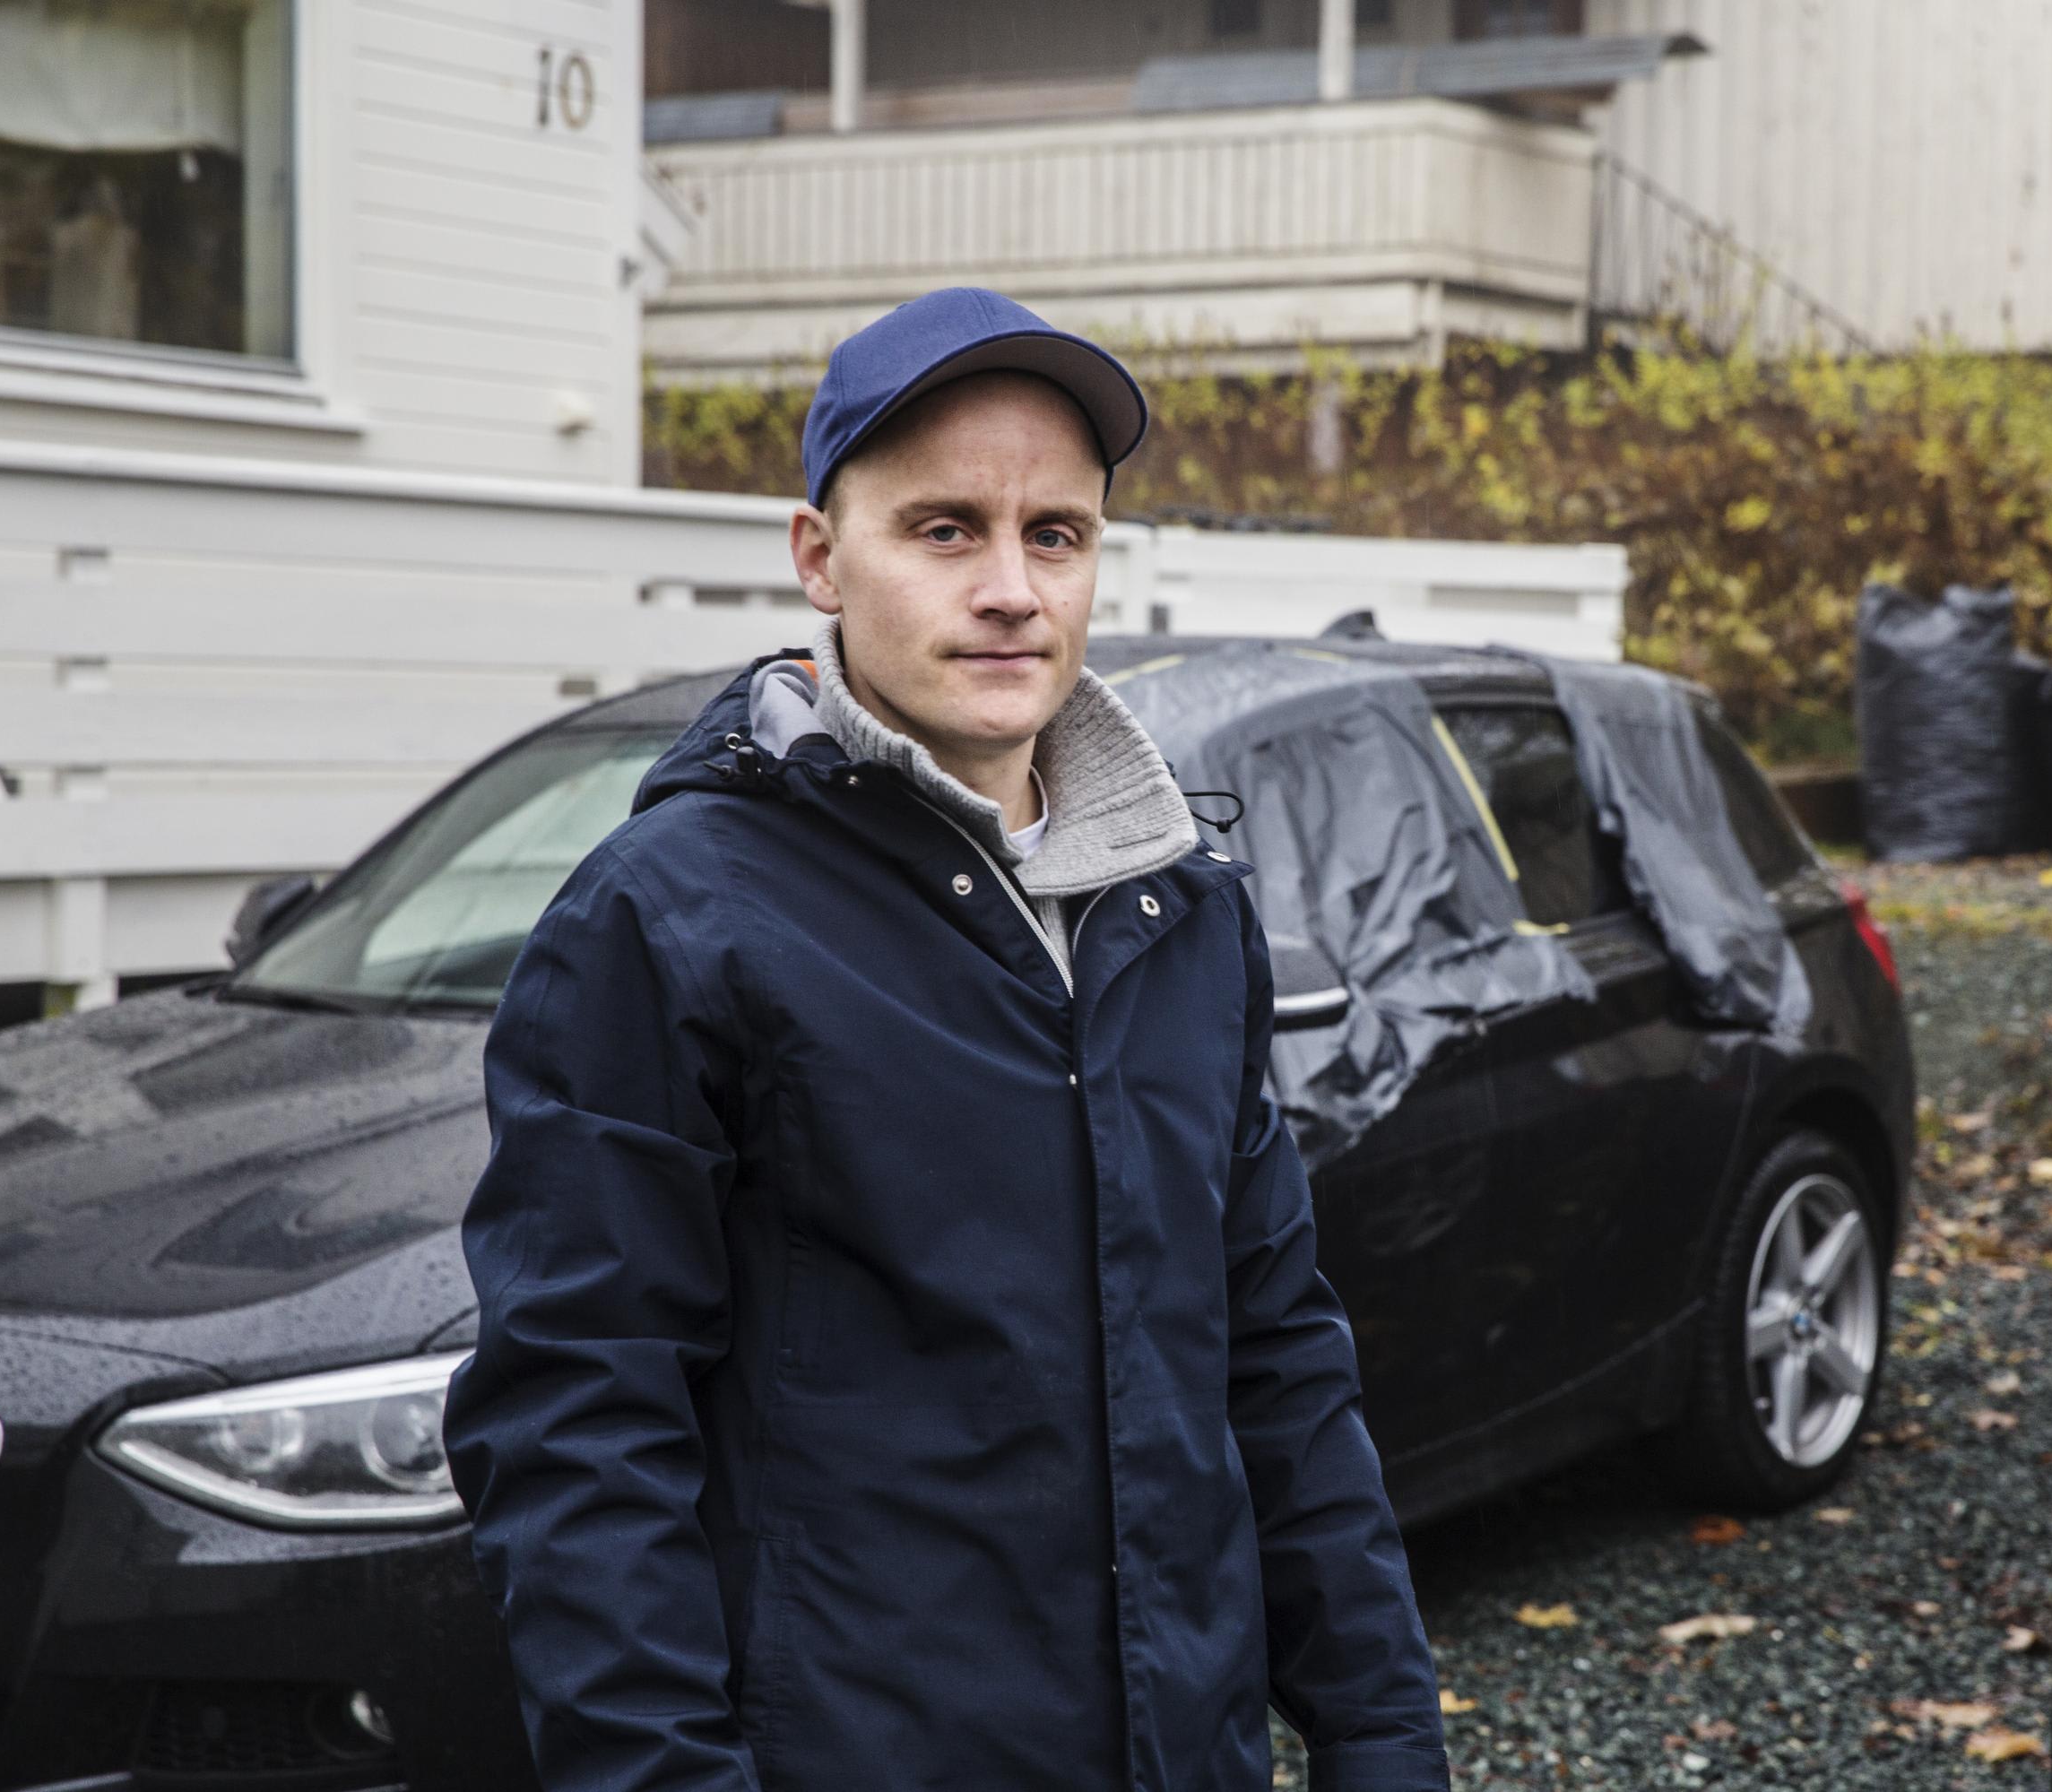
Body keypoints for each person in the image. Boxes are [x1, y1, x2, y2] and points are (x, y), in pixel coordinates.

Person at [444, 288, 1450, 1792]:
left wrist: (1382, 1741)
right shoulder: (668, 917)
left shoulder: (1182, 910)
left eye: (1056, 534)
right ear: (819, 557)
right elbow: (578, 1428)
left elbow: (1279, 1366)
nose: (1012, 590)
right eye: (944, 530)